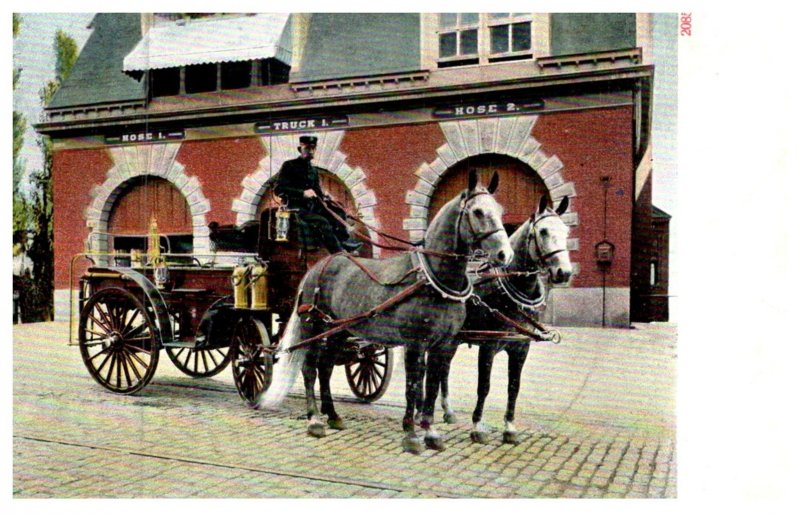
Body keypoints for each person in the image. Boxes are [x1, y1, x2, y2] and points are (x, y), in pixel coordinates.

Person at [273, 135, 361, 253]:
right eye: (307, 148)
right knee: (322, 222)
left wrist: (324, 197)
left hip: (312, 207)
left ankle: (344, 241)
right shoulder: (289, 165)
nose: (310, 151)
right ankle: (337, 251)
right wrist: (302, 193)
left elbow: (316, 190)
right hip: (295, 208)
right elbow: (279, 189)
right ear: (300, 149)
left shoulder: (313, 170)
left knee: (338, 212)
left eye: (313, 148)